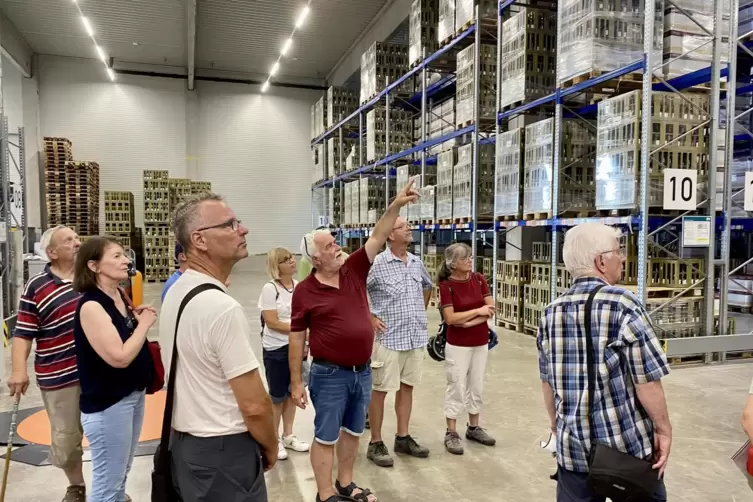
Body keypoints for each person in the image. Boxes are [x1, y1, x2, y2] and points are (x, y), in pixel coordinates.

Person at [289, 180, 419, 502]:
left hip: (362, 371)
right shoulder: (305, 291)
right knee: (326, 435)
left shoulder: (354, 269)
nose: (337, 247)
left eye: (335, 241)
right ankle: (325, 493)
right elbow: (296, 337)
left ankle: (345, 483)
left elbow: (377, 235)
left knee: (352, 431)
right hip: (329, 374)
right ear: (316, 258)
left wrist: (396, 206)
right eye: (329, 245)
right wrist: (295, 380)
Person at [537, 222, 672, 502]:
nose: (622, 257)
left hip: (572, 450)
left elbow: (547, 383)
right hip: (625, 450)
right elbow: (646, 382)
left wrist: (555, 427)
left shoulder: (551, 312)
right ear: (600, 261)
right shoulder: (623, 304)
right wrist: (663, 430)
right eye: (618, 251)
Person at [160, 192, 277, 502]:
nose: (243, 229)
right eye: (230, 224)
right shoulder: (221, 307)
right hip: (224, 452)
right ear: (199, 240)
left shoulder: (178, 292)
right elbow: (253, 405)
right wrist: (271, 444)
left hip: (187, 446)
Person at [72, 236, 156, 502]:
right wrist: (144, 324)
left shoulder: (120, 294)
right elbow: (119, 357)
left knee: (120, 473)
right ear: (94, 266)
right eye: (117, 256)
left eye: (125, 255)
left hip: (131, 396)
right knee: (108, 482)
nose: (126, 261)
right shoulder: (92, 306)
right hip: (109, 405)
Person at [8, 226, 87, 502]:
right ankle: (76, 486)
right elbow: (22, 333)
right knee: (66, 439)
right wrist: (18, 370)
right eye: (69, 240)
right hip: (59, 376)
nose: (77, 243)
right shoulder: (37, 287)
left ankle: (107, 485)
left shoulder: (94, 277)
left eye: (77, 238)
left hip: (98, 373)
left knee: (106, 433)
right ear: (51, 253)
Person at [365, 216, 432, 467]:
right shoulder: (377, 264)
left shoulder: (416, 262)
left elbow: (427, 285)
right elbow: (356, 289)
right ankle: (375, 442)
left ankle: (402, 437)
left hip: (414, 336)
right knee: (380, 390)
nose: (409, 229)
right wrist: (369, 316)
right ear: (390, 235)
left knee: (408, 387)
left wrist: (419, 312)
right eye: (403, 226)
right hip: (388, 337)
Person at [438, 242, 497, 455]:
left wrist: (470, 321)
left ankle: (473, 426)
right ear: (453, 264)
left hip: (480, 341)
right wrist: (478, 312)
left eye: (470, 257)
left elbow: (490, 308)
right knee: (456, 385)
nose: (470, 261)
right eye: (465, 258)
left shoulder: (479, 279)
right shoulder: (447, 286)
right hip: (458, 345)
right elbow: (450, 318)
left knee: (477, 385)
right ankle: (451, 431)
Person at [258, 247, 310, 460]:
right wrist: (299, 328)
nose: (291, 262)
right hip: (276, 349)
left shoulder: (298, 287)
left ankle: (288, 435)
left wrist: (305, 337)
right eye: (285, 260)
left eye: (291, 258)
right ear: (276, 266)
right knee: (277, 396)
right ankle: (274, 439)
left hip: (296, 347)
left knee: (292, 392)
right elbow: (271, 322)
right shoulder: (270, 289)